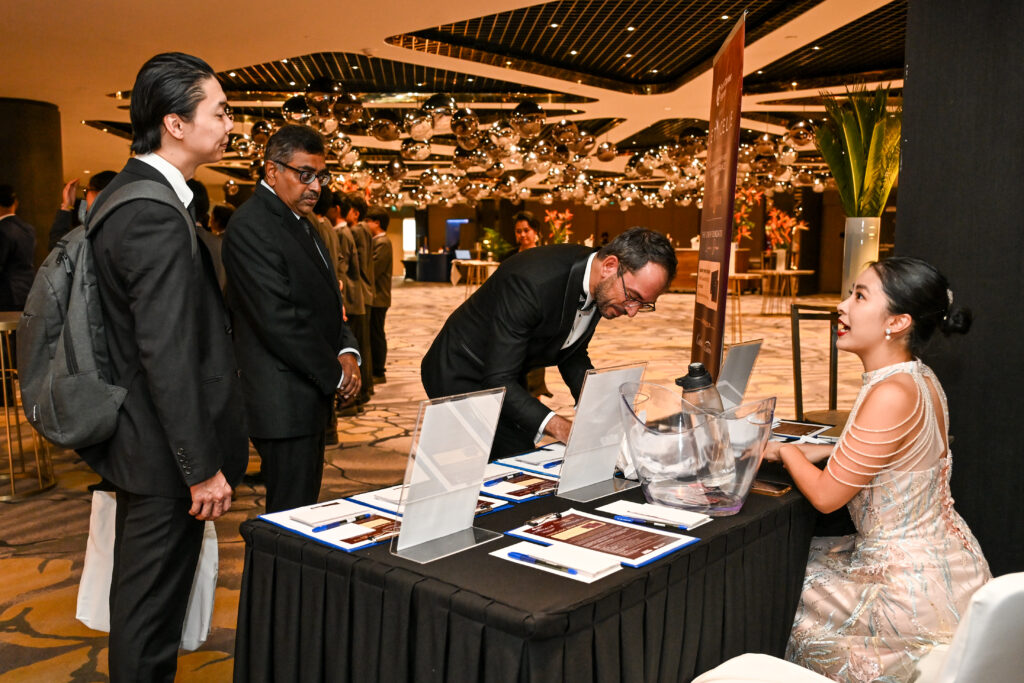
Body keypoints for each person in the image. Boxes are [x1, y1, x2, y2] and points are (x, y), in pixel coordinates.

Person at [81, 52, 248, 681]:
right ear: (175, 124)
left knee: (143, 609)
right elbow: (166, 352)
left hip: (146, 440)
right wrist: (199, 468)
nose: (229, 124)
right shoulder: (152, 212)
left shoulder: (135, 197)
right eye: (220, 112)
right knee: (149, 620)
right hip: (161, 452)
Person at [763, 257, 991, 682]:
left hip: (905, 593)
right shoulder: (919, 377)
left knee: (774, 582)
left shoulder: (890, 392)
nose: (842, 306)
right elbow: (895, 457)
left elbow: (827, 497)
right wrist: (823, 450)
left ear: (897, 322)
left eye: (860, 297)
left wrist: (786, 452)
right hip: (949, 566)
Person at [421, 227, 677, 460]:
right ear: (610, 265)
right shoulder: (532, 282)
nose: (632, 311)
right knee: (489, 460)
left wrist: (597, 404)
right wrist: (562, 428)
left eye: (644, 304)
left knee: (518, 452)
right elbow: (499, 379)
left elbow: (571, 351)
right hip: (459, 367)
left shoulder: (603, 286)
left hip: (508, 369)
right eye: (633, 297)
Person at [222, 124, 360, 514]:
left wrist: (347, 351)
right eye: (305, 175)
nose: (315, 187)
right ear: (272, 171)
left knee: (299, 511)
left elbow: (329, 300)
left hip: (306, 393)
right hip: (282, 400)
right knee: (288, 517)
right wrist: (336, 375)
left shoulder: (302, 222)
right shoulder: (251, 225)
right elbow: (277, 319)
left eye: (321, 176)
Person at [344, 192, 375, 404]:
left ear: (355, 213)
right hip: (367, 291)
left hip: (358, 292)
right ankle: (367, 388)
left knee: (358, 346)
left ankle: (361, 391)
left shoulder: (355, 231)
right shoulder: (365, 230)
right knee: (365, 344)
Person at [48, 170, 117, 250]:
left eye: (86, 191)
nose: (85, 198)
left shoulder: (95, 229)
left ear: (100, 193)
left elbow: (58, 248)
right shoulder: (121, 224)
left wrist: (66, 206)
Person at [366, 206, 392, 384]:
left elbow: (374, 270)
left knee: (376, 334)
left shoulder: (382, 243)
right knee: (374, 333)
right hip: (377, 296)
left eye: (367, 221)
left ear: (377, 223)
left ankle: (379, 371)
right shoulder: (377, 241)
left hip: (379, 297)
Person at [0, 185, 36, 312]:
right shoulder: (29, 229)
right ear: (15, 203)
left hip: (6, 294)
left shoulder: (2, 229)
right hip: (27, 290)